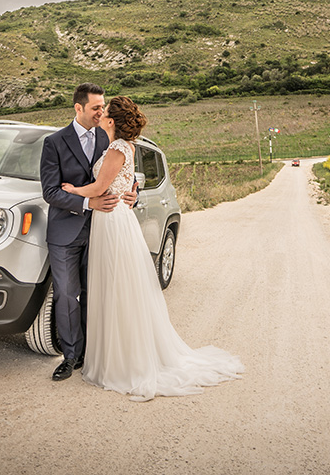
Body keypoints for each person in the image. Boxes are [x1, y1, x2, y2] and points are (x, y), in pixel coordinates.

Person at [62, 95, 244, 401]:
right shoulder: (121, 146)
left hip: (112, 220)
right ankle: (115, 356)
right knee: (115, 288)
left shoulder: (118, 148)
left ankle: (123, 363)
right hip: (113, 217)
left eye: (105, 112)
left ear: (112, 120)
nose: (101, 114)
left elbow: (98, 187)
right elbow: (123, 182)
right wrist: (127, 190)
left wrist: (72, 190)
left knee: (117, 288)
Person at [39, 83, 134, 382]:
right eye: (95, 107)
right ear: (78, 108)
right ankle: (70, 357)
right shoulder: (54, 142)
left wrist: (134, 193)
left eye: (102, 107)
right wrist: (87, 201)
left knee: (97, 293)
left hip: (101, 231)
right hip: (65, 232)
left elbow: (123, 172)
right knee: (67, 296)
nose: (100, 112)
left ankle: (95, 352)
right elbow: (51, 192)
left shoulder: (110, 138)